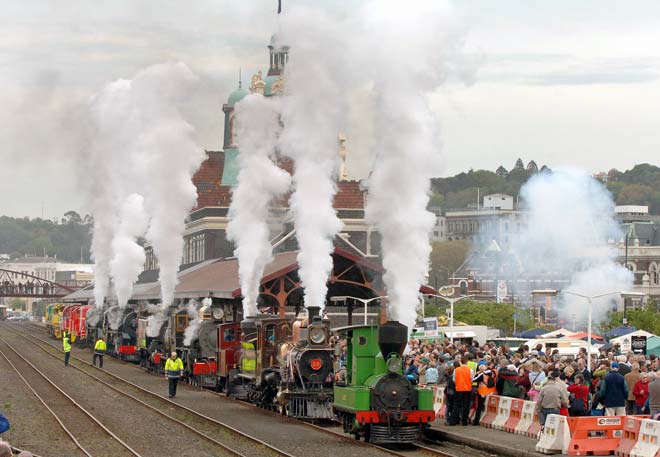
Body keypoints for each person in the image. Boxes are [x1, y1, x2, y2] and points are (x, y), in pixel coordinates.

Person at [449, 357, 473, 426]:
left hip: (458, 389)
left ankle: (454, 421)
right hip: (467, 389)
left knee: (456, 405)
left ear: (461, 362)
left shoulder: (456, 370)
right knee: (466, 406)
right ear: (467, 362)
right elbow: (472, 379)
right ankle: (464, 421)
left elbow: (454, 379)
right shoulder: (470, 370)